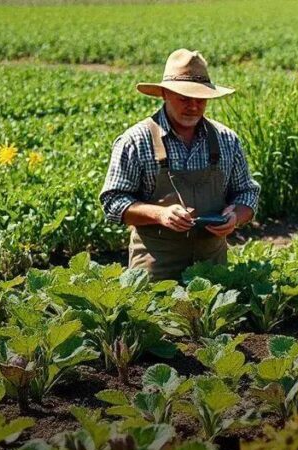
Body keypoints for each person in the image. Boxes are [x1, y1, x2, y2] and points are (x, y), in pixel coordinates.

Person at [100, 48, 260, 281]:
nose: (193, 106)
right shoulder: (135, 141)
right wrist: (159, 215)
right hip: (156, 270)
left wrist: (236, 216)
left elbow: (247, 192)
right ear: (165, 93)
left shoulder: (227, 140)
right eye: (184, 98)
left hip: (212, 269)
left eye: (200, 99)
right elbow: (113, 201)